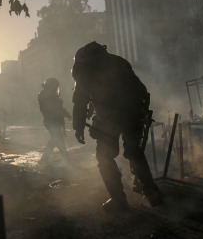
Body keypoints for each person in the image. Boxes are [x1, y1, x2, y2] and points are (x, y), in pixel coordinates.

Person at [71, 41, 162, 214]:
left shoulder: (84, 68)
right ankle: (151, 192)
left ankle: (119, 201)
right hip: (133, 114)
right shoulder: (118, 62)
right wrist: (142, 112)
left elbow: (80, 100)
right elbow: (141, 89)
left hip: (108, 118)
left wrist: (78, 126)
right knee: (134, 152)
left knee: (104, 158)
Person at [38, 77, 72, 166]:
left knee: (55, 140)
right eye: (55, 87)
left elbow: (58, 108)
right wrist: (65, 113)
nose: (56, 89)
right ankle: (67, 160)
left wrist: (66, 114)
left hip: (54, 121)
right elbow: (55, 109)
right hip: (51, 121)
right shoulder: (46, 96)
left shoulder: (49, 96)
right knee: (57, 139)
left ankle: (44, 159)